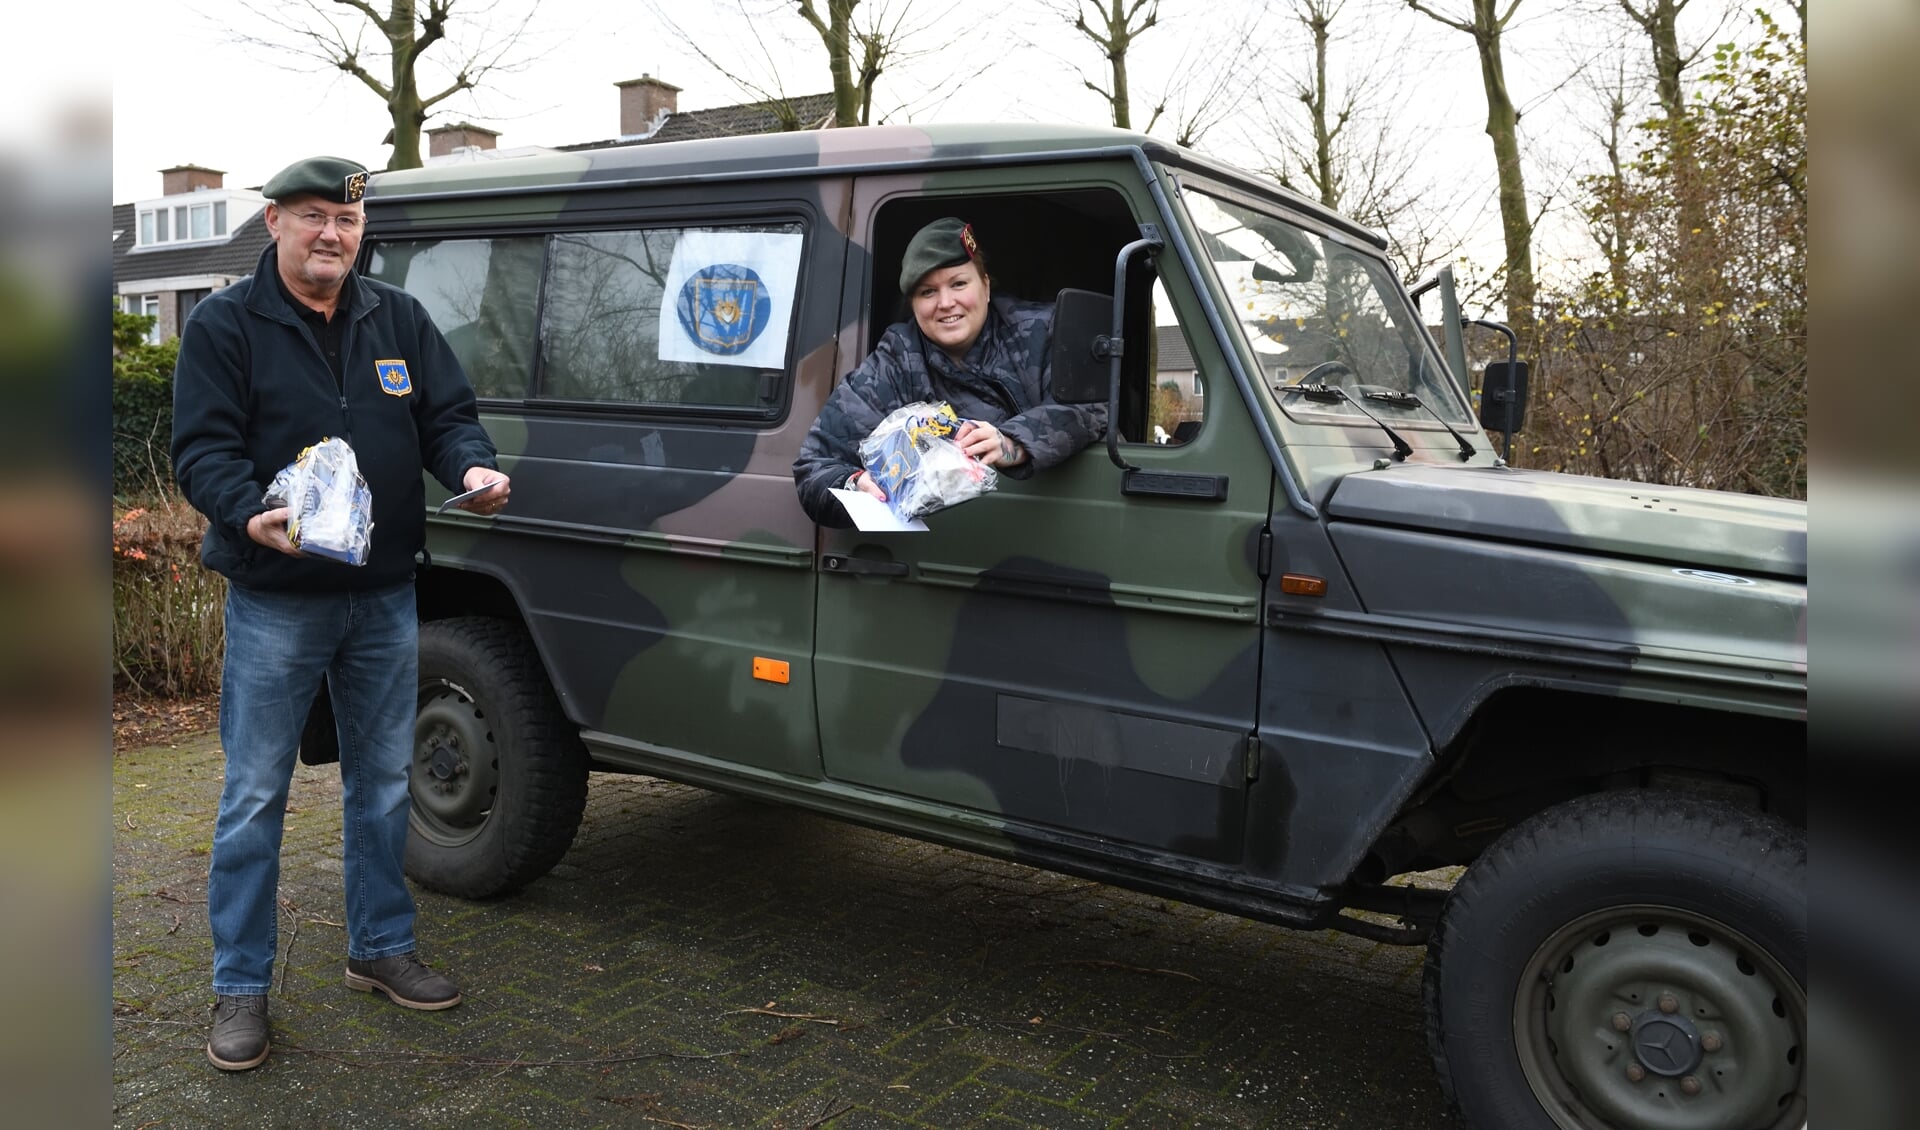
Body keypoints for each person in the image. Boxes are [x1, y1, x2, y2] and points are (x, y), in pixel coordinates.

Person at [171, 155, 511, 1072]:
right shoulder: (225, 325)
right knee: (253, 796)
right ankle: (240, 986)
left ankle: (380, 947)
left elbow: (448, 416)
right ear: (275, 221)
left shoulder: (395, 316)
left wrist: (470, 466)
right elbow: (199, 447)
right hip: (278, 598)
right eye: (314, 216)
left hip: (383, 595)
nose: (333, 235)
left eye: (348, 221)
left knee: (384, 784)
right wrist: (249, 511)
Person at [793, 217, 1106, 525]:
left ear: (985, 287)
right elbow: (814, 469)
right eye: (927, 292)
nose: (946, 302)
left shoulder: (1042, 330)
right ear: (913, 304)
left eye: (958, 283)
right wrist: (854, 484)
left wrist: (1012, 443)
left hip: (1061, 527)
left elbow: (1094, 408)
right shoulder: (897, 361)